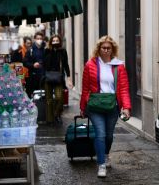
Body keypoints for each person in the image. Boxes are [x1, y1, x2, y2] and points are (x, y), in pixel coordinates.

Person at [80, 35, 131, 178]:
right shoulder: (90, 65)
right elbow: (85, 89)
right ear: (99, 49)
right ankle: (101, 164)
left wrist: (126, 107)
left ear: (113, 49)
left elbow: (124, 88)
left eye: (109, 48)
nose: (106, 50)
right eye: (104, 48)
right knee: (100, 134)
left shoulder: (119, 66)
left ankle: (106, 154)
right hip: (95, 106)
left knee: (109, 136)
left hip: (112, 106)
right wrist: (83, 107)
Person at [43, 35, 72, 125]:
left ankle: (56, 114)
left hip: (59, 78)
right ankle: (50, 120)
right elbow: (45, 63)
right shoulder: (47, 51)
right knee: (49, 100)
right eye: (53, 40)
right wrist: (51, 50)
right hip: (48, 77)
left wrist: (69, 77)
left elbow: (66, 64)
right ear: (51, 42)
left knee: (59, 98)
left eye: (57, 40)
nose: (55, 42)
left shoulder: (62, 51)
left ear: (59, 42)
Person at [23, 32, 45, 98]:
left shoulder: (45, 49)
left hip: (43, 76)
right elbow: (25, 62)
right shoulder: (30, 50)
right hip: (33, 77)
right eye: (37, 38)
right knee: (33, 95)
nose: (39, 40)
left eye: (40, 38)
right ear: (34, 39)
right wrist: (33, 65)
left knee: (43, 95)